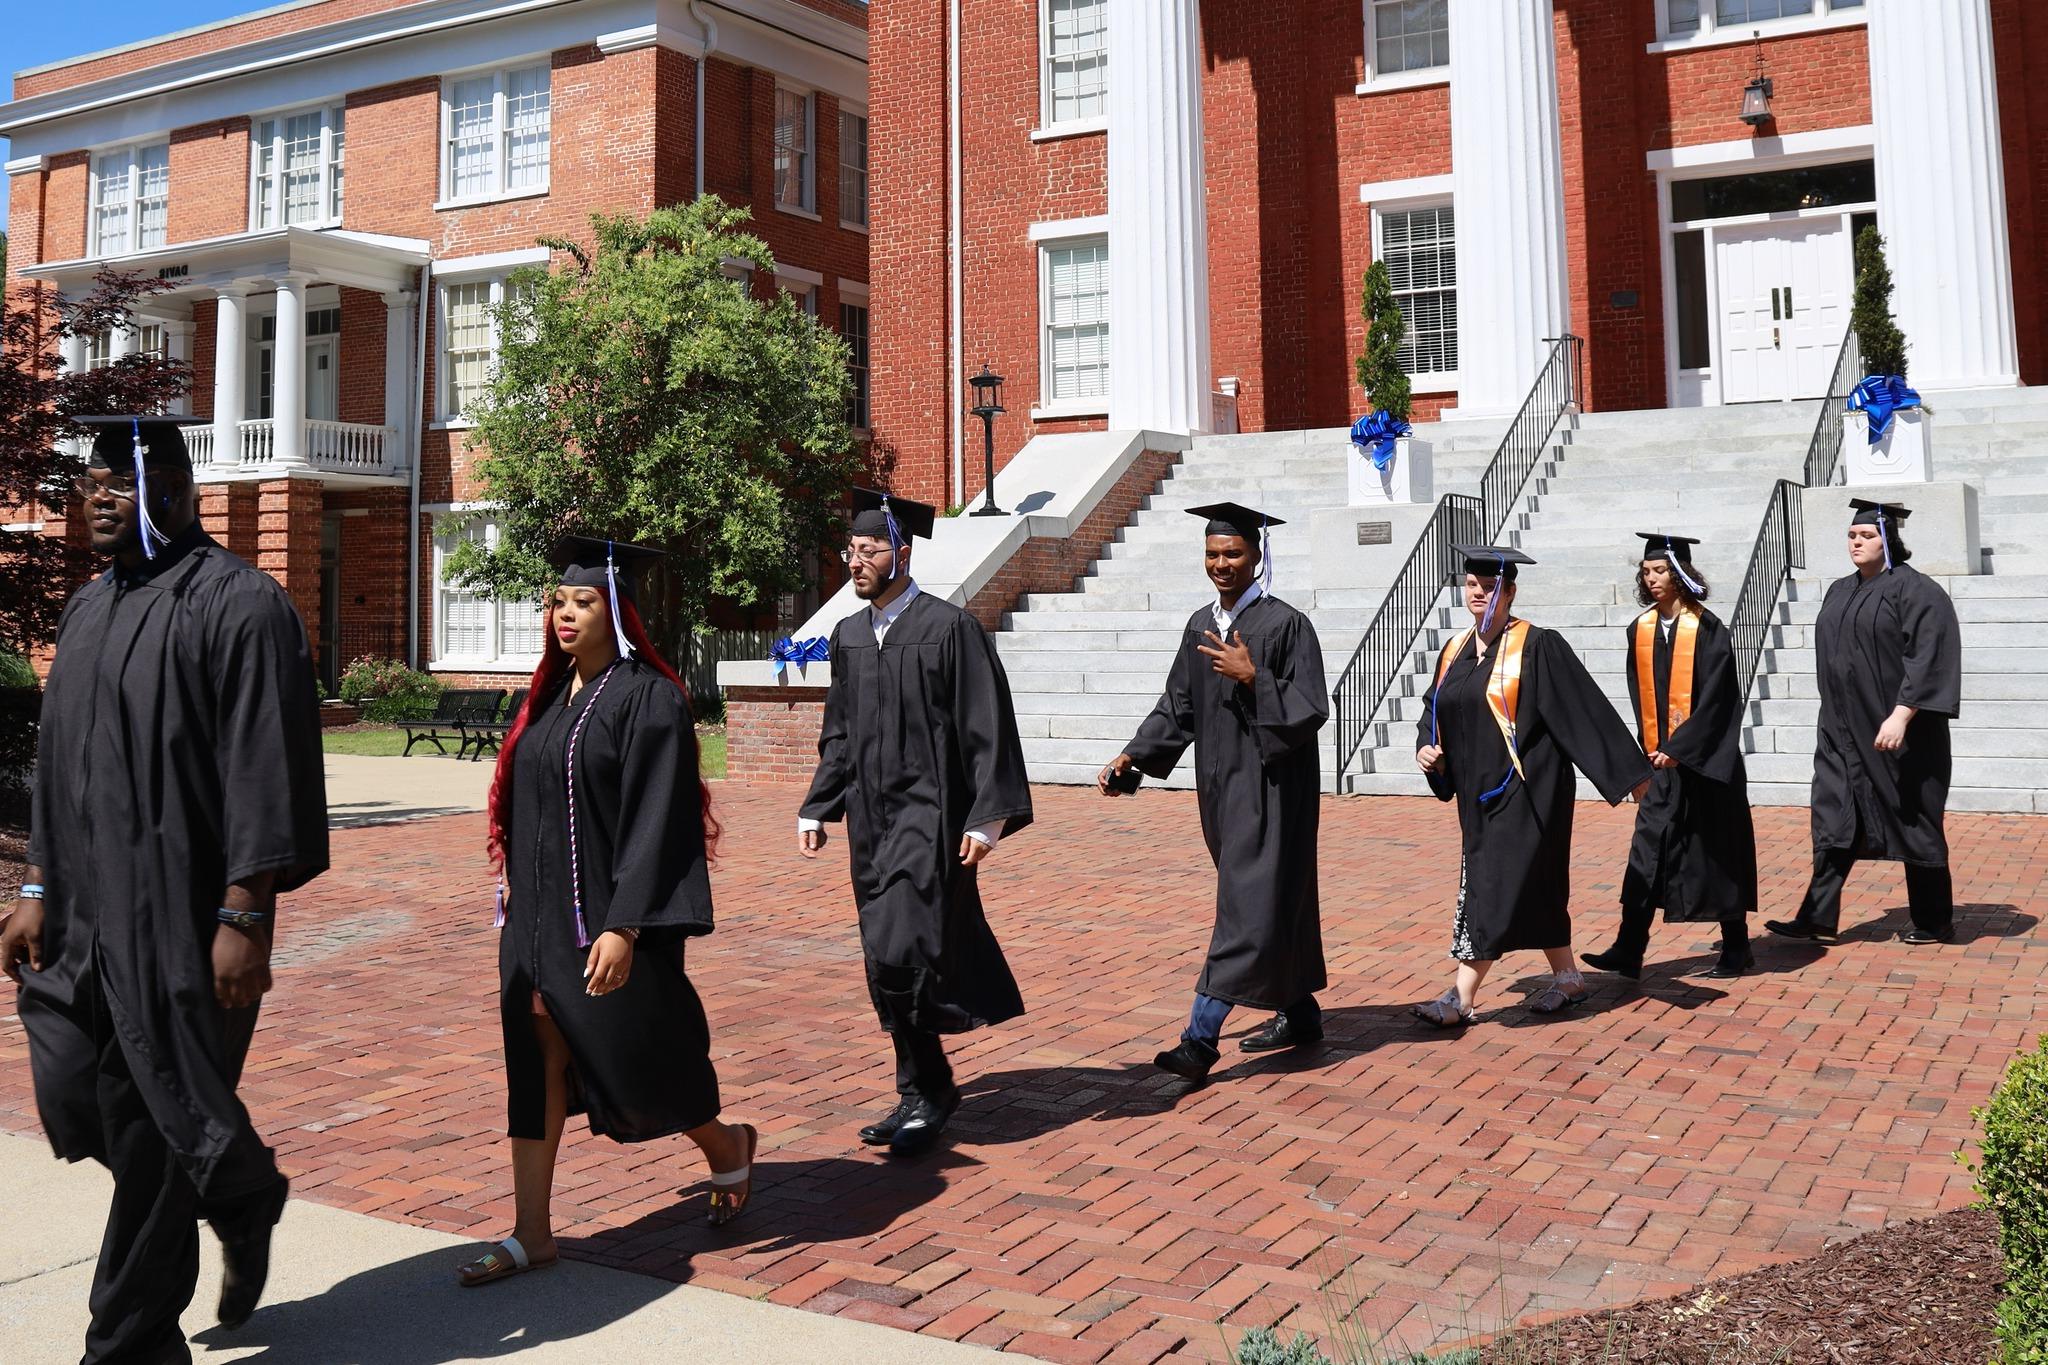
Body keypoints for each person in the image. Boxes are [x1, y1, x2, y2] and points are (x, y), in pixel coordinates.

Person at [0, 415, 327, 1361]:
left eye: (119, 482)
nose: (97, 498)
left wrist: (244, 914)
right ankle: (237, 1186)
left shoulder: (240, 604)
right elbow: (60, 763)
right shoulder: (89, 608)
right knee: (75, 1090)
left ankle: (130, 1341)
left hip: (185, 920)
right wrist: (36, 881)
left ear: (178, 491)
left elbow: (265, 768)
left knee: (149, 1137)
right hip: (85, 920)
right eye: (90, 483)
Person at [458, 535, 756, 1286]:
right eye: (558, 600)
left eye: (583, 600)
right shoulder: (550, 696)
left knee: (634, 1059)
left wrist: (626, 924)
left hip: (605, 919)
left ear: (616, 609)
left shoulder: (647, 699)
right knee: (534, 1065)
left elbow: (659, 819)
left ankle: (723, 1143)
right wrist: (512, 877)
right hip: (535, 922)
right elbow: (525, 801)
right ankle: (533, 1231)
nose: (565, 612)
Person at [798, 488, 1033, 1158]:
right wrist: (820, 802)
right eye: (852, 547)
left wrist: (987, 817)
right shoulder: (848, 635)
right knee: (882, 957)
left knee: (906, 948)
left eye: (870, 547)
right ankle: (918, 1088)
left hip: (930, 820)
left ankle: (931, 1089)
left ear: (901, 551)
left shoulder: (948, 628)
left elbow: (987, 726)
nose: (857, 559)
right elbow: (837, 733)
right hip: (869, 824)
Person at [1098, 502, 1328, 1085]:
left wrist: (1256, 678)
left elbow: (1311, 709)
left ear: (1257, 556)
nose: (1221, 565)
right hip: (1220, 792)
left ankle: (1199, 1041)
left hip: (1274, 790)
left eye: (1233, 554)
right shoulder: (1201, 624)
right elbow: (1179, 705)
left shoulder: (1285, 625)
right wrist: (1134, 756)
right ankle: (1300, 1012)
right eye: (1212, 554)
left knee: (1245, 911)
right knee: (1266, 903)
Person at [1411, 545, 1651, 1024]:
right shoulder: (1455, 649)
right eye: (1472, 585)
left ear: (1510, 592)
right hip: (1477, 793)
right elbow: (1436, 711)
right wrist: (1428, 751)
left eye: (1490, 587)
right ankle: (1568, 978)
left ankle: (1461, 996)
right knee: (1535, 887)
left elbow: (1584, 709)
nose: (1479, 593)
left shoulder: (1537, 645)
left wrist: (1631, 774)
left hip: (1528, 789)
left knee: (1492, 885)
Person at [1767, 500, 1962, 946]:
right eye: (1852, 536)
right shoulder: (1840, 589)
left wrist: (1902, 713)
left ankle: (1934, 920)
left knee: (1912, 817)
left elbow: (1929, 656)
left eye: (1866, 536)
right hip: (1840, 730)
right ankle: (1817, 914)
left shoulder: (1919, 591)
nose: (1856, 543)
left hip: (1900, 734)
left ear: (1888, 540)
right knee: (1835, 815)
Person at [1584, 533, 1758, 980]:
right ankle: (1629, 948)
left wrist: (1681, 749)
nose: (1652, 578)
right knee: (1646, 852)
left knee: (1716, 853)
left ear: (1681, 575)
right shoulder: (1639, 630)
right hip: (1659, 763)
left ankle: (1737, 947)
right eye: (1647, 571)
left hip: (1705, 765)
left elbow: (1719, 700)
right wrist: (1651, 751)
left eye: (1660, 570)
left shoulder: (1709, 629)